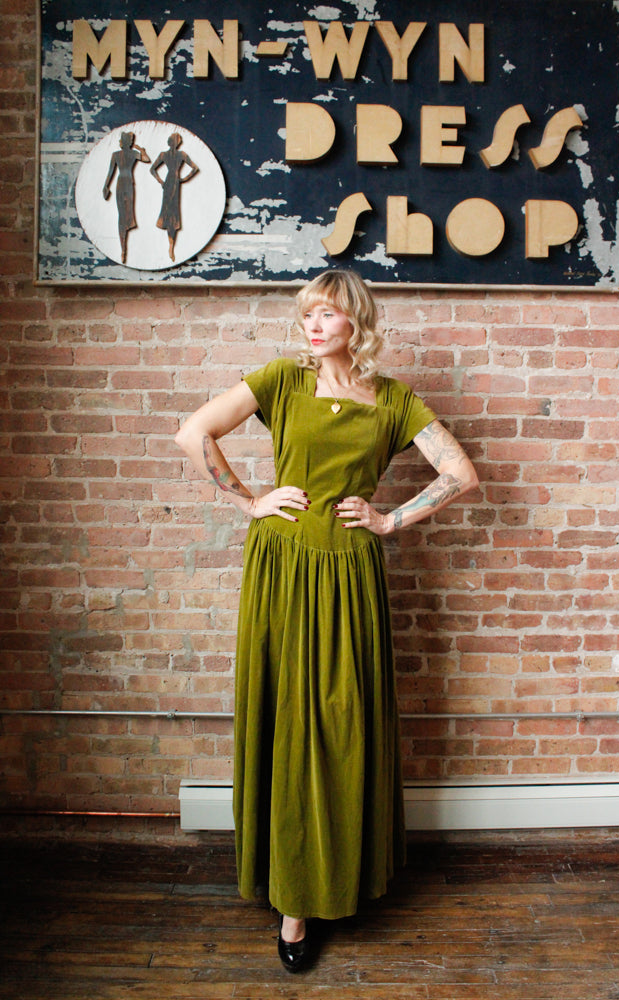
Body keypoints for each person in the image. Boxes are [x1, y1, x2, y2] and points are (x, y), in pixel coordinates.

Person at [174, 270, 478, 972]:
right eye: (307, 314)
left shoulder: (392, 399)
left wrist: (388, 520)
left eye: (328, 315)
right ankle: (293, 902)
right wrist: (251, 501)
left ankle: (339, 875)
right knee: (288, 717)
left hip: (348, 571)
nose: (314, 326)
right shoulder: (283, 380)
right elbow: (193, 433)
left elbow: (460, 474)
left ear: (356, 323)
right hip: (283, 565)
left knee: (340, 722)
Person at [150, 132, 199, 262]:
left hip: (173, 183)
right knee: (169, 211)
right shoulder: (169, 154)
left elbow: (195, 168)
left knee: (173, 212)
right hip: (172, 182)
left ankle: (171, 245)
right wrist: (161, 181)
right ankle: (170, 244)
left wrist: (184, 179)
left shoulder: (178, 154)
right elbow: (152, 169)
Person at [102, 131, 150, 264]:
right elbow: (146, 158)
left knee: (124, 215)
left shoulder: (117, 154)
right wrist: (141, 150)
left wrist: (106, 186)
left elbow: (110, 172)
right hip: (127, 183)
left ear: (123, 142)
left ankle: (123, 248)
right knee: (124, 215)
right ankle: (123, 249)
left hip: (122, 184)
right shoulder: (130, 154)